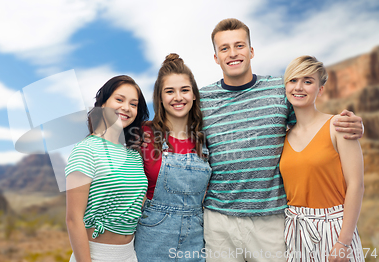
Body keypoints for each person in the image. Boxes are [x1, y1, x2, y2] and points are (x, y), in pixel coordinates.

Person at [199, 18, 364, 262]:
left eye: (240, 45)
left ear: (251, 51)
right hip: (219, 221)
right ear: (215, 57)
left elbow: (311, 119)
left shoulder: (281, 89)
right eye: (224, 48)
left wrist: (354, 124)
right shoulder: (203, 99)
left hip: (271, 220)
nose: (233, 53)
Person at [280, 56, 364, 262]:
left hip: (335, 229)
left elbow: (356, 185)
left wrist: (343, 243)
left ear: (320, 89)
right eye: (293, 80)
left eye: (308, 81)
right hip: (296, 231)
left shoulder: (338, 125)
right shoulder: (282, 137)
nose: (299, 87)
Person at [134, 53, 211, 261]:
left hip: (196, 238)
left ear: (194, 94)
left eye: (184, 90)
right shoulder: (143, 134)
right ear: (159, 97)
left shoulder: (204, 139)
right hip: (152, 237)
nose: (178, 97)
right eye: (170, 91)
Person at [65, 75, 149, 262]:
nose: (126, 108)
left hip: (130, 255)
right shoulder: (86, 150)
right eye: (119, 100)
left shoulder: (134, 156)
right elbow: (73, 219)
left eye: (133, 104)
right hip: (95, 255)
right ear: (102, 104)